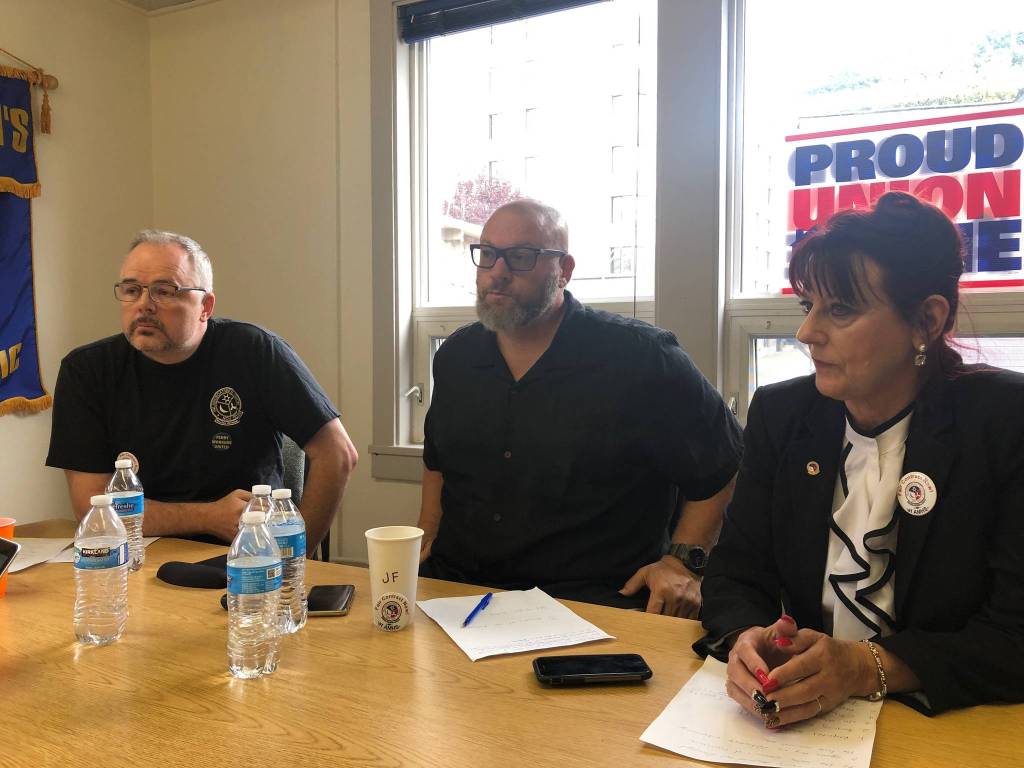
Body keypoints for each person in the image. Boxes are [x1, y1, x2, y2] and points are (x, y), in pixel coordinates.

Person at [697, 191, 1024, 723]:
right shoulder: (784, 415)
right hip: (805, 717)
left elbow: (1014, 635)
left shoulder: (1005, 423)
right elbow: (735, 573)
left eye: (841, 310)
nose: (806, 333)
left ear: (926, 321)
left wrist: (866, 667)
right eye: (809, 307)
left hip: (953, 717)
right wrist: (749, 642)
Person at [417, 199, 741, 615]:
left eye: (520, 257)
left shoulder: (640, 358)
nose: (497, 272)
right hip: (459, 592)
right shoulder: (457, 357)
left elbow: (723, 462)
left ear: (564, 270)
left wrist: (683, 563)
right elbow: (438, 460)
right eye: (488, 254)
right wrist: (423, 536)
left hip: (591, 602)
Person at [45, 230, 358, 550]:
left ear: (205, 306)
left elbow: (338, 454)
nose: (144, 305)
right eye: (131, 290)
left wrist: (295, 557)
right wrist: (207, 516)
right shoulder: (86, 371)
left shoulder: (255, 351)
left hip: (244, 558)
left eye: (163, 291)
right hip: (136, 557)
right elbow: (90, 507)